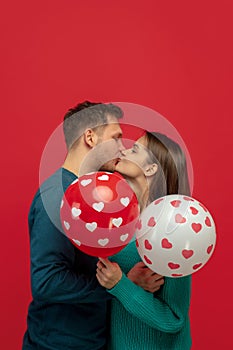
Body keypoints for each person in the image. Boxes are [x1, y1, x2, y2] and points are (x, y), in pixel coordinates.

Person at [22, 103, 164, 350]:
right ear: (90, 137)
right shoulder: (58, 195)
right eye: (116, 137)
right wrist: (118, 286)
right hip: (57, 345)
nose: (123, 147)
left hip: (92, 342)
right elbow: (47, 281)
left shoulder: (93, 195)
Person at [96, 131, 192, 350]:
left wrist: (121, 285)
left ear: (150, 169)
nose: (123, 149)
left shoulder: (172, 232)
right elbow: (109, 284)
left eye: (135, 149)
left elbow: (173, 319)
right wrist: (123, 284)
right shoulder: (117, 219)